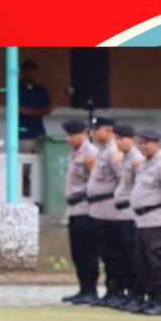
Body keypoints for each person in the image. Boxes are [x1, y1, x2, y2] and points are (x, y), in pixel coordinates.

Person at [84, 116, 129, 308]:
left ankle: (116, 290)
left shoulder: (114, 152)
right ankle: (111, 290)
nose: (93, 132)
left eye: (97, 129)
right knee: (105, 253)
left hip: (110, 210)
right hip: (99, 210)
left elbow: (123, 179)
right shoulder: (104, 151)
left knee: (113, 254)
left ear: (108, 130)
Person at [130, 129, 161, 317]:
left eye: (147, 143)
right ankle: (150, 298)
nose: (143, 146)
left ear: (158, 144)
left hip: (158, 220)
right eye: (141, 143)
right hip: (142, 221)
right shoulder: (144, 164)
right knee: (144, 262)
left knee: (159, 262)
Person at [60, 119, 100, 305]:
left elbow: (96, 181)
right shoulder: (74, 152)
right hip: (74, 208)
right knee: (77, 251)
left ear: (82, 134)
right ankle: (83, 288)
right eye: (67, 135)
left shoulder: (90, 153)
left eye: (71, 135)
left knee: (87, 250)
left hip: (86, 208)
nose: (67, 139)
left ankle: (90, 290)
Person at [110, 123, 144, 312]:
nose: (118, 142)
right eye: (116, 139)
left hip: (132, 214)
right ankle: (129, 293)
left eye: (121, 139)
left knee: (133, 256)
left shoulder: (137, 159)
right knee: (124, 256)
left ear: (131, 139)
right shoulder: (124, 159)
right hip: (122, 213)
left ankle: (136, 294)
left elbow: (138, 188)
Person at [18, 60, 68, 151]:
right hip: (23, 133)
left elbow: (47, 110)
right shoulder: (16, 87)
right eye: (28, 71)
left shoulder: (41, 90)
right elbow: (18, 109)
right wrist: (39, 112)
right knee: (24, 162)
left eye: (34, 71)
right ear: (22, 72)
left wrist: (60, 97)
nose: (31, 74)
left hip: (39, 133)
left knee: (42, 160)